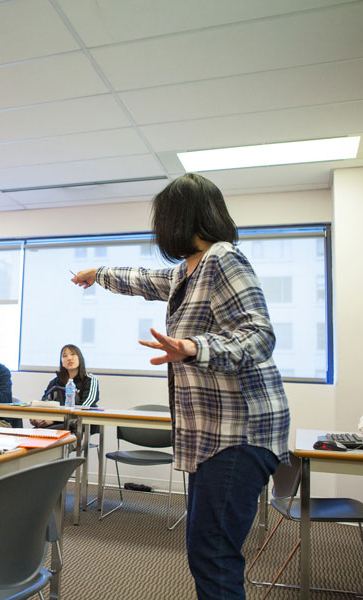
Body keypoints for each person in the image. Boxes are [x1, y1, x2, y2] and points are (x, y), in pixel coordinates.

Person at [72, 173, 289, 600]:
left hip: (239, 433)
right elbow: (142, 279)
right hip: (214, 437)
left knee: (212, 555)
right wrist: (98, 273)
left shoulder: (224, 259)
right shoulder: (186, 274)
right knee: (206, 551)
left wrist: (193, 346)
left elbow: (259, 336)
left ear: (178, 219)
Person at [30, 344, 99, 429]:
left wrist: (55, 419)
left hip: (79, 421)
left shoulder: (90, 379)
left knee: (44, 432)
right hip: (57, 421)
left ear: (80, 358)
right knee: (36, 431)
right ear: (62, 363)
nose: (69, 358)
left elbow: (85, 406)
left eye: (73, 354)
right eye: (64, 356)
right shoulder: (55, 382)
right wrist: (37, 416)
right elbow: (44, 402)